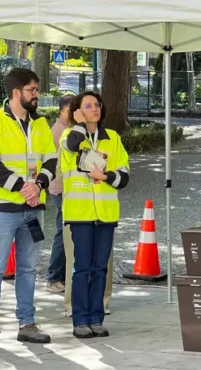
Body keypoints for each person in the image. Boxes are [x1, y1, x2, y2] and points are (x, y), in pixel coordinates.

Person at [0, 68, 56, 350]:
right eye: (32, 90)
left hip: (34, 208)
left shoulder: (41, 124)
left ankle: (27, 324)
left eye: (36, 90)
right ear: (16, 93)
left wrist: (38, 187)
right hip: (2, 209)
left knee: (28, 269)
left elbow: (51, 160)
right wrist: (25, 187)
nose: (36, 95)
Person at [60, 91, 130, 339]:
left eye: (97, 104)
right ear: (77, 110)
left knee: (100, 268)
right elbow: (70, 148)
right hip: (80, 214)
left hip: (106, 214)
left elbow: (124, 175)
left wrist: (106, 177)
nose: (95, 108)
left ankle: (96, 318)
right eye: (88, 105)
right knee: (82, 268)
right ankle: (80, 320)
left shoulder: (112, 138)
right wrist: (79, 124)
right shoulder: (71, 136)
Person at [45, 95, 72, 294]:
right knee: (62, 232)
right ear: (62, 110)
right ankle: (54, 278)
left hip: (66, 188)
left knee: (66, 232)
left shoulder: (69, 129)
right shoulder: (59, 131)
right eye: (71, 109)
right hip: (61, 188)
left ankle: (61, 276)